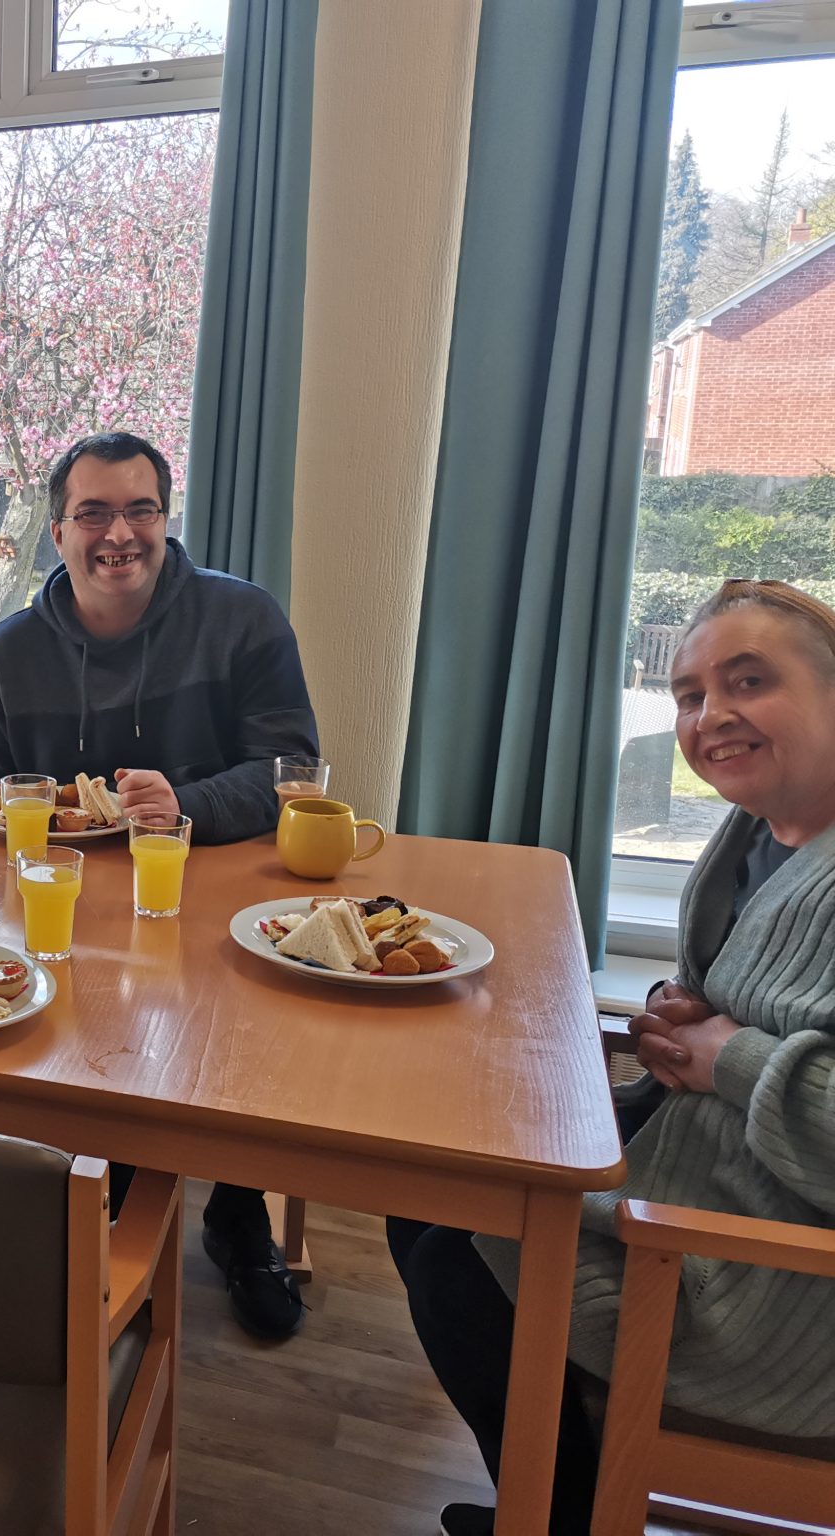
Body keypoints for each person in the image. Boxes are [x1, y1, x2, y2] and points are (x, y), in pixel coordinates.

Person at [391, 579, 835, 1536]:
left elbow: (757, 1048)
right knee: (426, 1185)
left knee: (454, 1270)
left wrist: (728, 1058)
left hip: (774, 1285)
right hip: (693, 1174)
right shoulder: (758, 832)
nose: (711, 716)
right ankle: (552, 1496)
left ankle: (559, 1516)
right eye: (690, 695)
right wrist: (690, 1016)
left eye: (749, 682)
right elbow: (762, 997)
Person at [0, 431, 323, 1341]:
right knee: (75, 1027)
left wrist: (184, 805)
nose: (118, 534)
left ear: (166, 519)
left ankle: (236, 1213)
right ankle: (107, 1206)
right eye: (93, 514)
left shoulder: (243, 620)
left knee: (243, 1023)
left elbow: (292, 769)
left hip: (215, 888)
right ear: (57, 533)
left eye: (140, 510)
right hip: (73, 906)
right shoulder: (5, 658)